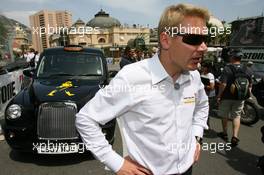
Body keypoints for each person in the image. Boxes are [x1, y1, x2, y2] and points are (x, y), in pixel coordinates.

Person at [76, 3, 209, 175]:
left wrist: (197, 136)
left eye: (206, 40)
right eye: (194, 39)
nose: (204, 47)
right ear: (166, 40)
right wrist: (116, 163)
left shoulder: (194, 76)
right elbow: (86, 119)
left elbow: (202, 106)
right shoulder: (132, 77)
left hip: (187, 169)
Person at [217, 49, 252, 147]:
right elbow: (250, 85)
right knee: (236, 116)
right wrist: (245, 95)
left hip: (227, 97)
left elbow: (223, 84)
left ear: (232, 57)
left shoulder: (227, 68)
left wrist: (219, 95)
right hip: (240, 98)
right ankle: (235, 137)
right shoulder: (247, 69)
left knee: (225, 115)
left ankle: (224, 134)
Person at [200, 62, 215, 128]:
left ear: (207, 68)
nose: (202, 67)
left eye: (204, 66)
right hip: (203, 94)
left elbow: (212, 87)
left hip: (209, 95)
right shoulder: (202, 74)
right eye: (202, 66)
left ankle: (207, 125)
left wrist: (203, 85)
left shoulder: (210, 75)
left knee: (207, 111)